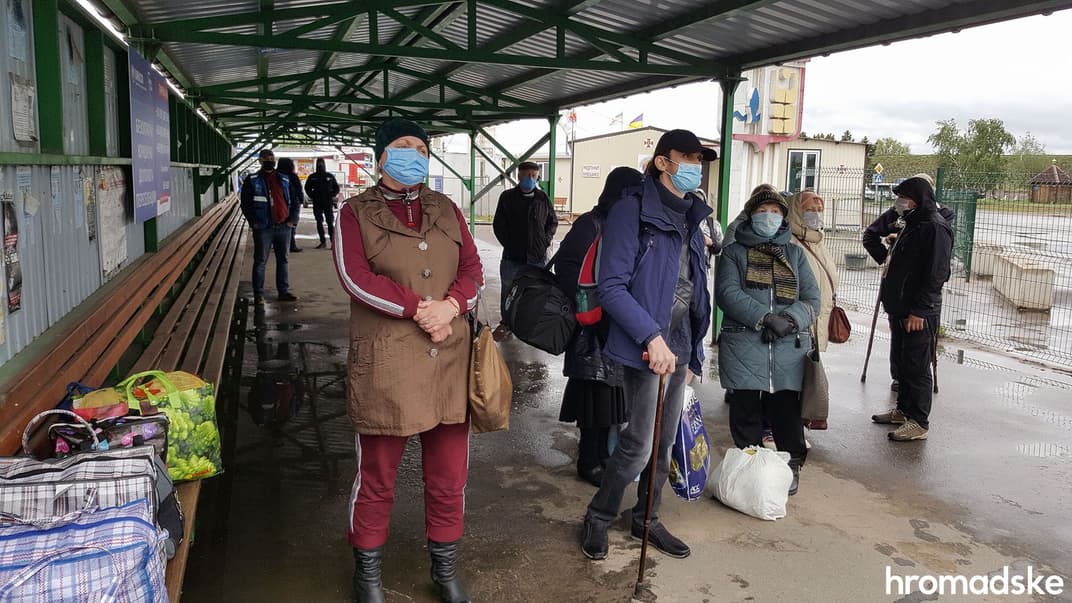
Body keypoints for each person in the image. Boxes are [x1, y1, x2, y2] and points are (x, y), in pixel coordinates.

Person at [332, 118, 483, 603]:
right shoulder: (354, 212)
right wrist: (420, 308)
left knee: (448, 475)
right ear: (381, 156)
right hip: (388, 364)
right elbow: (354, 277)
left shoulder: (445, 208)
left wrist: (452, 306)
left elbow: (474, 269)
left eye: (421, 147)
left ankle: (445, 569)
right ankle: (368, 577)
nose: (415, 154)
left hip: (449, 360)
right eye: (403, 146)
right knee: (376, 476)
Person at [580, 129, 714, 562]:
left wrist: (692, 350)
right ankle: (599, 516)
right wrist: (651, 337)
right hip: (645, 342)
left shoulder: (694, 214)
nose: (696, 166)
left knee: (667, 441)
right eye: (687, 158)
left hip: (680, 343)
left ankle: (646, 518)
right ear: (662, 162)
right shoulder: (630, 211)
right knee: (638, 443)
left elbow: (696, 286)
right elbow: (612, 285)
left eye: (700, 159)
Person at [716, 187, 819, 496]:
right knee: (745, 409)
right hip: (745, 343)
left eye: (776, 212)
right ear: (751, 214)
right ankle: (750, 468)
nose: (770, 217)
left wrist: (789, 320)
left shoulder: (795, 253)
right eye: (764, 211)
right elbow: (727, 293)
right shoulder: (734, 252)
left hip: (787, 347)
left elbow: (812, 297)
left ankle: (791, 464)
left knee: (786, 409)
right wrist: (764, 317)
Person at [555, 167, 642, 487]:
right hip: (591, 332)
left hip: (617, 329)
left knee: (611, 403)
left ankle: (604, 458)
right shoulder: (589, 225)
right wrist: (592, 307)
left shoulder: (627, 225)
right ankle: (588, 461)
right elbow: (567, 270)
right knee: (595, 402)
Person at [870, 177, 953, 442]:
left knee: (917, 366)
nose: (899, 202)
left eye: (903, 196)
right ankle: (903, 410)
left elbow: (937, 273)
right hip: (900, 306)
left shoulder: (935, 227)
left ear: (916, 198)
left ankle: (919, 421)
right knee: (903, 361)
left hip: (919, 311)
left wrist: (920, 309)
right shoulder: (912, 222)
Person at [491, 161, 558, 340]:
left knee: (535, 292)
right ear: (519, 176)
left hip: (536, 257)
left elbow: (552, 222)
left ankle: (528, 324)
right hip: (512, 257)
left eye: (534, 176)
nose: (530, 179)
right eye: (526, 175)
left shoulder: (542, 199)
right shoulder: (507, 197)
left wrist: (545, 241)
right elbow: (499, 225)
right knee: (508, 290)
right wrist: (509, 243)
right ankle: (506, 324)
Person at [241, 148, 301, 304]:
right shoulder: (252, 179)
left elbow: (295, 200)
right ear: (260, 161)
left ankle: (283, 291)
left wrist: (292, 220)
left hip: (283, 226)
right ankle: (258, 294)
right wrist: (253, 222)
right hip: (263, 227)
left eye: (272, 158)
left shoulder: (284, 179)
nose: (270, 161)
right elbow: (246, 204)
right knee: (260, 261)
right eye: (267, 159)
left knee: (283, 260)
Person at [305, 157, 341, 249]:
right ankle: (323, 242)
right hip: (317, 202)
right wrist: (313, 195)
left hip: (328, 202)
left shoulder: (329, 176)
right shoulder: (312, 177)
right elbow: (307, 188)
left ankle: (333, 243)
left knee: (330, 222)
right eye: (318, 163)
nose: (320, 165)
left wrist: (331, 195)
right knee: (319, 222)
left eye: (321, 163)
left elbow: (336, 188)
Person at [277, 158, 305, 253]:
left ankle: (280, 244)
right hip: (293, 203)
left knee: (279, 222)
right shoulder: (293, 176)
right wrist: (301, 200)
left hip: (279, 203)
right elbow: (298, 189)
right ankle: (291, 244)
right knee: (291, 224)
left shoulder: (275, 175)